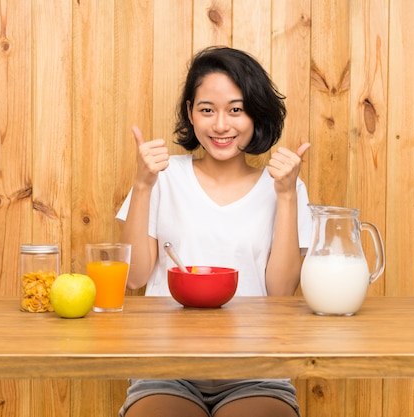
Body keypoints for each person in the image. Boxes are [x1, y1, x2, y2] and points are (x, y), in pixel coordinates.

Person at [116, 46, 312, 417]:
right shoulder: (163, 177)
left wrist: (286, 196)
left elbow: (281, 291)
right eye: (207, 110)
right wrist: (142, 185)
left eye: (235, 110)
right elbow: (136, 276)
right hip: (166, 367)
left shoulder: (285, 187)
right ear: (191, 113)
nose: (221, 125)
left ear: (255, 114)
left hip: (258, 369)